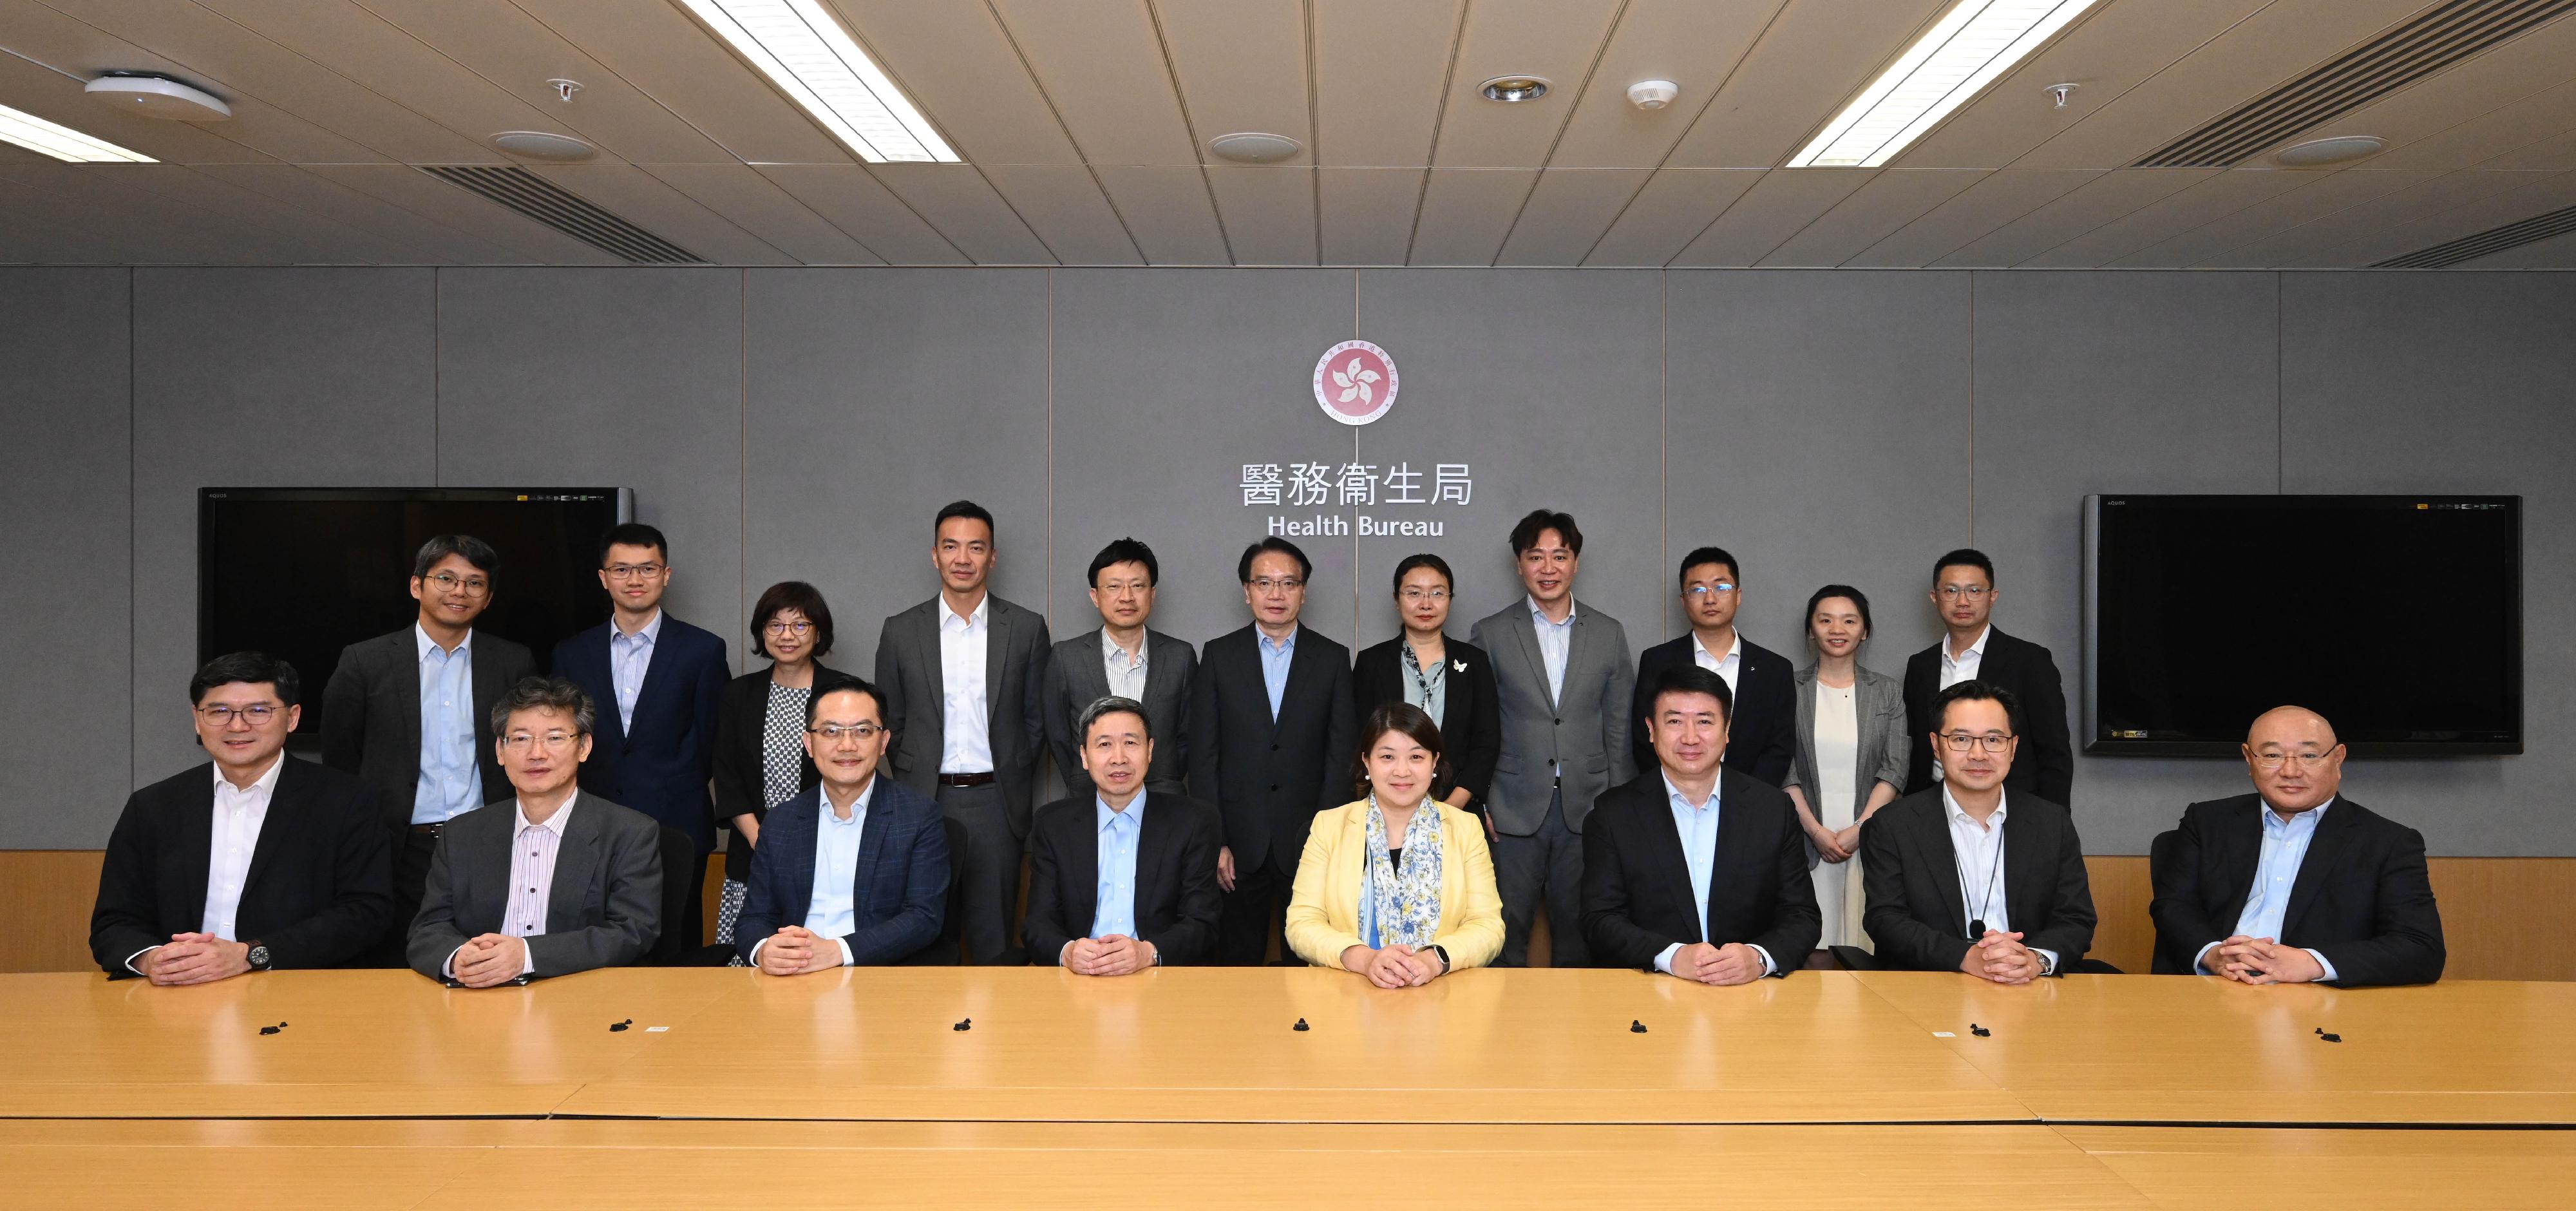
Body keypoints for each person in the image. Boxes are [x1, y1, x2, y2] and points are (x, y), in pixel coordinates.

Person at [91, 653, 392, 981]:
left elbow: (366, 914)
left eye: (258, 711)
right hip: (177, 996)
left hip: (296, 993)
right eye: (219, 711)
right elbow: (114, 922)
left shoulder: (348, 801)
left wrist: (251, 955)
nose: (237, 725)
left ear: (292, 718)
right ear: (197, 718)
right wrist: (155, 961)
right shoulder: (152, 806)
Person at [320, 533, 536, 964]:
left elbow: (528, 750)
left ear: (488, 598)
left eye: (475, 583)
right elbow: (341, 756)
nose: (460, 592)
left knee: (487, 964)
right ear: (417, 585)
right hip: (399, 848)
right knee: (398, 967)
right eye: (446, 579)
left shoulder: (513, 661)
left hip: (490, 842)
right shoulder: (366, 661)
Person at [2148, 705, 2445, 987]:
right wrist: (2214, 955)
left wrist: (2311, 963)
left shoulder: (2388, 842)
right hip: (2214, 989)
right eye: (2273, 755)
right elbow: (2174, 907)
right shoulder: (2207, 821)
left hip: (2318, 999)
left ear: (2338, 758)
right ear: (2249, 758)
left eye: (2309, 755)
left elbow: (2420, 947)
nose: (2291, 771)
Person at [875, 501, 1052, 964]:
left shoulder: (1027, 628)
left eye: (976, 547)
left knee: (995, 941)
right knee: (926, 939)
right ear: (934, 554)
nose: (963, 558)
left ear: (992, 557)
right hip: (923, 800)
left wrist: (1010, 771)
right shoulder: (900, 630)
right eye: (951, 546)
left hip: (998, 802)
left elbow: (1037, 720)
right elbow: (889, 721)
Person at [406, 677, 663, 986]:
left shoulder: (629, 833)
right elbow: (428, 930)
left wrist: (526, 956)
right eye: (521, 739)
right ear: (501, 751)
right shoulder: (461, 833)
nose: (536, 753)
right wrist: (459, 957)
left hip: (580, 999)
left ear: (584, 747)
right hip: (478, 1000)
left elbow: (633, 932)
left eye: (554, 738)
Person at [554, 522, 731, 955]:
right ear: (603, 578)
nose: (635, 580)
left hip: (677, 818)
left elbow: (714, 739)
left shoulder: (703, 650)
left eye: (647, 569)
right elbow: (563, 739)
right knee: (595, 944)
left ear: (666, 575)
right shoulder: (571, 653)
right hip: (591, 822)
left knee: (678, 944)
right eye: (622, 570)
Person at [1468, 510, 1634, 967]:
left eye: (1559, 556)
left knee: (1581, 933)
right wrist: (1481, 800)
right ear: (1519, 565)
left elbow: (1619, 724)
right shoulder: (1492, 632)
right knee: (1505, 932)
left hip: (1590, 806)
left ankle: (1577, 1035)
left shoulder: (1608, 632)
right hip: (1511, 806)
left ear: (1575, 563)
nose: (1548, 568)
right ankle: (1501, 1035)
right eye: (1535, 557)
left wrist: (1617, 804)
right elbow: (1479, 724)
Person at [1580, 665, 1820, 980]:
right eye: (1675, 721)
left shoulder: (1773, 810)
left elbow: (1802, 915)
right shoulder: (1613, 814)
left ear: (1727, 729)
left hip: (1749, 996)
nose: (1690, 737)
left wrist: (1760, 958)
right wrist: (1671, 956)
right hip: (1650, 991)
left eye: (1705, 722)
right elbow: (1599, 919)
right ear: (1651, 729)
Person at [1189, 537, 1358, 966]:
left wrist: (1325, 842)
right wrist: (1217, 843)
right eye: (1265, 583)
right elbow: (1204, 757)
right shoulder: (1219, 656)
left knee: (1312, 970)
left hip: (1307, 841)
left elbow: (1341, 757)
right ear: (1247, 591)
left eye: (1288, 583)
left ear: (1304, 591)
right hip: (1237, 846)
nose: (1276, 594)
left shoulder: (1333, 659)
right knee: (1236, 969)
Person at [1859, 681, 2096, 980]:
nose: (1978, 754)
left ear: (2013, 747)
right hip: (1932, 988)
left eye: (1994, 740)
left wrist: (2035, 960)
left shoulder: (2051, 822)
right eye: (1961, 739)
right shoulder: (1892, 824)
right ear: (1936, 745)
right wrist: (1965, 957)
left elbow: (2076, 918)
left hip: (2030, 987)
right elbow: (1885, 919)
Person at [736, 676, 951, 972]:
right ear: (809, 743)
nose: (847, 745)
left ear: (884, 742)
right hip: (793, 979)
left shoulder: (918, 816)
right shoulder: (781, 821)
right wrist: (764, 951)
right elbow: (754, 918)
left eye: (862, 731)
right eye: (831, 731)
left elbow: (924, 917)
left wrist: (838, 951)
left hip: (876, 977)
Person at [1285, 703, 1504, 984]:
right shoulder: (1328, 827)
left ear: (1434, 762)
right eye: (1388, 757)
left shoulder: (1465, 829)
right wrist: (1365, 960)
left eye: (1416, 757)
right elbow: (1302, 924)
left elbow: (1488, 927)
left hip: (1441, 994)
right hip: (1349, 994)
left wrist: (1435, 960)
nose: (1402, 771)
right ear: (1367, 762)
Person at [1023, 696, 1224, 972]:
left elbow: (1203, 923)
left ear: (1150, 751)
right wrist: (1068, 952)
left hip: (1159, 978)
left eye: (1131, 743)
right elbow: (1037, 925)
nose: (1119, 758)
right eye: (1104, 744)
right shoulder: (1054, 825)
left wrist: (1148, 953)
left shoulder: (1193, 822)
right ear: (1084, 756)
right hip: (1080, 979)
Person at [710, 581, 847, 953]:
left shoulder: (843, 693)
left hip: (828, 850)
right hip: (753, 853)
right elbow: (728, 776)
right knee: (751, 964)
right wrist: (764, 842)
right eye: (776, 625)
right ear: (762, 632)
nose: (788, 635)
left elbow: (852, 772)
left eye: (801, 625)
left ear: (818, 633)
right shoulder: (738, 695)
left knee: (816, 960)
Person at [1781, 586, 1910, 951]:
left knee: (1863, 944)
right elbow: (1784, 768)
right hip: (1804, 835)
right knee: (1808, 946)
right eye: (1825, 620)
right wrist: (1816, 831)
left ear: (1864, 630)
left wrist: (1860, 829)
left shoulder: (1887, 691)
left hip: (1869, 836)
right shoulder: (1789, 688)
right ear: (1811, 629)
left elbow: (1896, 767)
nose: (1837, 629)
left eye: (1849, 620)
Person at [1903, 549, 2073, 805]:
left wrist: (2054, 827)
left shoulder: (2030, 661)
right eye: (1951, 591)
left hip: (2011, 809)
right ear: (1934, 598)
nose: (1962, 601)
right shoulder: (1920, 665)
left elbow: (2055, 753)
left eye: (1974, 591)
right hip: (1932, 809)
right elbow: (1916, 750)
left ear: (1992, 597)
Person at [1352, 554, 1501, 829]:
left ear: (1450, 599)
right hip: (1385, 814)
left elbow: (1486, 743)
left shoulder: (1475, 661)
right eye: (1414, 593)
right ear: (1397, 600)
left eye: (1437, 593)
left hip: (1458, 812)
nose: (1426, 603)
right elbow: (1360, 739)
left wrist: (1449, 809)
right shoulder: (1371, 662)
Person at [1043, 538, 1196, 800]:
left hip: (1164, 800)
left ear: (1152, 594)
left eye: (1137, 586)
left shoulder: (1179, 656)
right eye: (1114, 587)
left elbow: (1189, 736)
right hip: (1087, 800)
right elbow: (1057, 736)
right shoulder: (1067, 657)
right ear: (1095, 596)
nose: (1127, 597)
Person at [1632, 548, 1794, 787]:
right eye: (1697, 589)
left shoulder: (1775, 669)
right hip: (1673, 801)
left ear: (1738, 595)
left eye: (1722, 587)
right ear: (1683, 600)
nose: (1710, 599)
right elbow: (1645, 737)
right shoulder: (1658, 661)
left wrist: (1746, 799)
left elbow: (1779, 749)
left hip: (1752, 806)